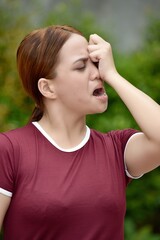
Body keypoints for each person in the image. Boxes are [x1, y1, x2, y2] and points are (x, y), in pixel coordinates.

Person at [0, 24, 159, 240]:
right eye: (81, 66)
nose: (97, 73)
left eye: (96, 63)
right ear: (47, 88)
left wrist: (113, 75)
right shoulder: (9, 151)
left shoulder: (115, 149)